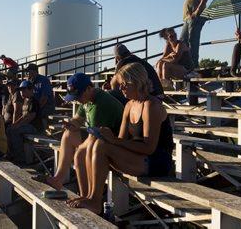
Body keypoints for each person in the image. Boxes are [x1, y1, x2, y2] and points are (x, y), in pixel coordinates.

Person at [68, 63, 173, 213]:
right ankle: (89, 196)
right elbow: (121, 139)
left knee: (100, 146)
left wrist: (113, 140)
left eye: (124, 84)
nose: (120, 88)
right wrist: (107, 136)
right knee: (97, 143)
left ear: (136, 82)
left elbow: (149, 148)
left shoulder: (151, 105)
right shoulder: (129, 105)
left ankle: (95, 201)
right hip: (138, 156)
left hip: (157, 161)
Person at [42, 73, 124, 191]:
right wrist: (70, 124)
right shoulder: (87, 99)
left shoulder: (100, 104)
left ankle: (87, 196)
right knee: (69, 134)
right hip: (102, 142)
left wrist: (80, 146)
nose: (77, 100)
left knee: (80, 154)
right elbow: (78, 120)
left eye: (78, 96)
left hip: (115, 148)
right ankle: (58, 179)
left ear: (89, 89)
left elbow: (94, 136)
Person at [5, 80, 43, 165]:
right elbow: (23, 116)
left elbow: (31, 116)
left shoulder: (34, 101)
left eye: (24, 90)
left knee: (15, 131)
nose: (21, 92)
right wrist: (14, 124)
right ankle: (11, 154)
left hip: (34, 127)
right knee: (9, 129)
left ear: (31, 90)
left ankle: (20, 158)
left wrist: (18, 126)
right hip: (27, 126)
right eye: (21, 90)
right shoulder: (25, 101)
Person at [180, 0, 209, 68]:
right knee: (183, 41)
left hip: (195, 18)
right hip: (188, 18)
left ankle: (194, 66)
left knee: (193, 41)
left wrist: (197, 11)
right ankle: (186, 64)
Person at [26, 63, 55, 128]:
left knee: (32, 116)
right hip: (35, 107)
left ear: (34, 71)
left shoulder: (44, 80)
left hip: (46, 107)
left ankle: (41, 131)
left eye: (29, 71)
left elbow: (45, 97)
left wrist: (36, 110)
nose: (28, 73)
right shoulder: (30, 81)